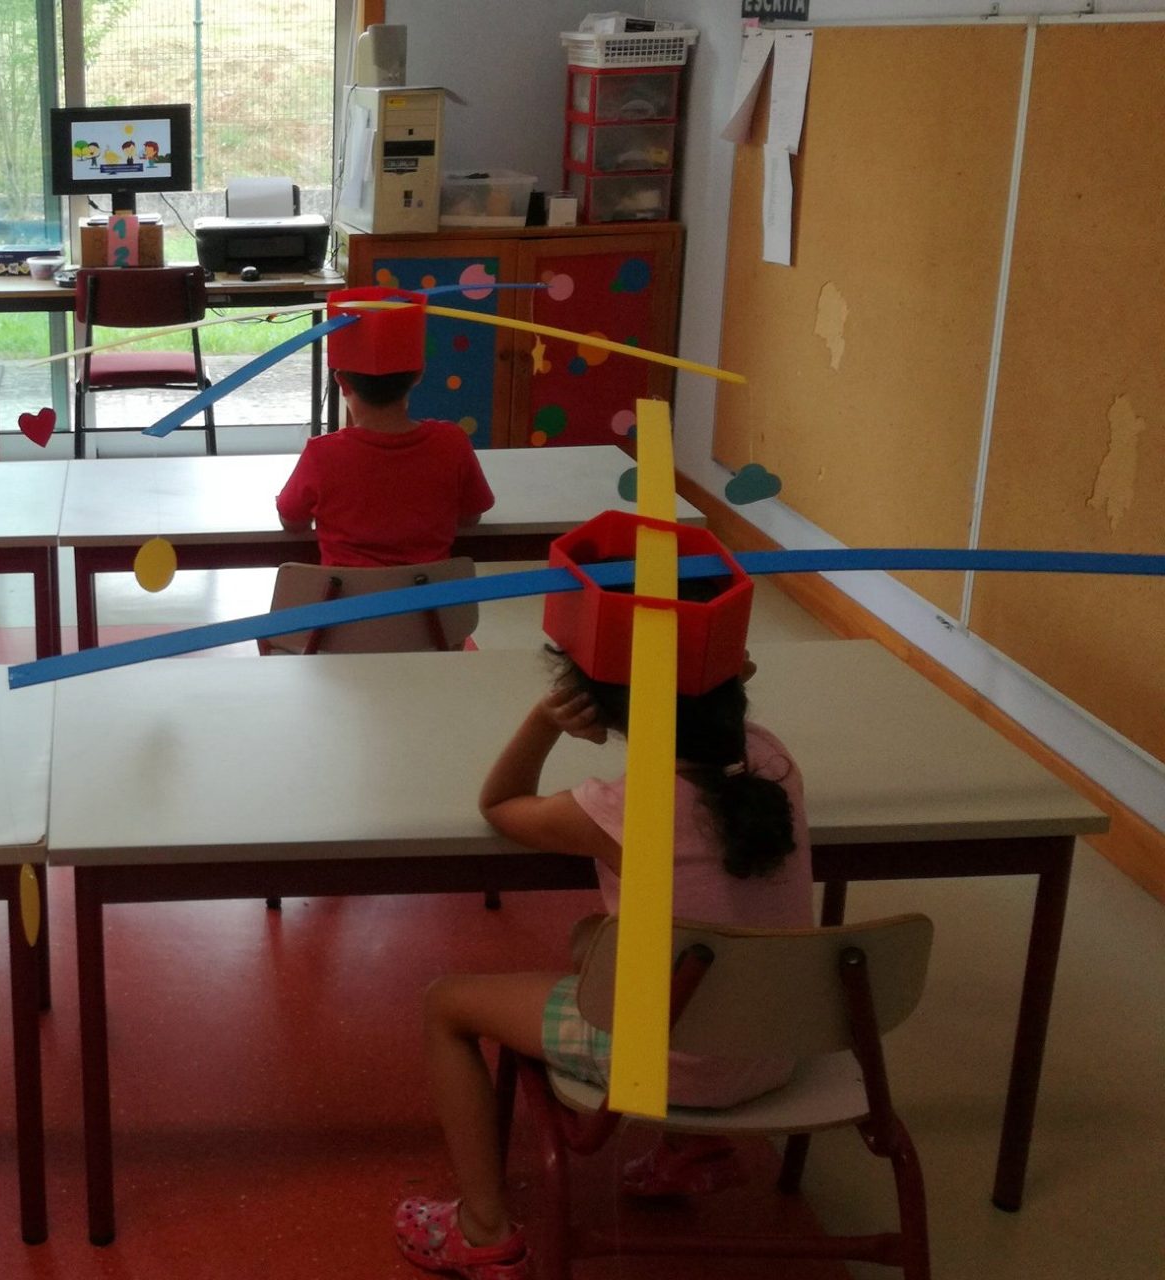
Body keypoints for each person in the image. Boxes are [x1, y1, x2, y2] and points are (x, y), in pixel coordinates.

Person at [395, 571, 810, 1280]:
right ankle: (691, 1149)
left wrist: (543, 721)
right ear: (734, 679)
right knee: (595, 935)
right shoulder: (775, 762)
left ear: (603, 708)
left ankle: (482, 1228)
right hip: (779, 1042)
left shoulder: (624, 808)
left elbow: (500, 804)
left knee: (445, 1004)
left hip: (669, 1062)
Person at [276, 288, 493, 567]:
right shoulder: (451, 442)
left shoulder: (322, 454)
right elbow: (470, 518)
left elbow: (293, 523)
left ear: (342, 382)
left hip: (348, 596)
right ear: (419, 374)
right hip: (429, 596)